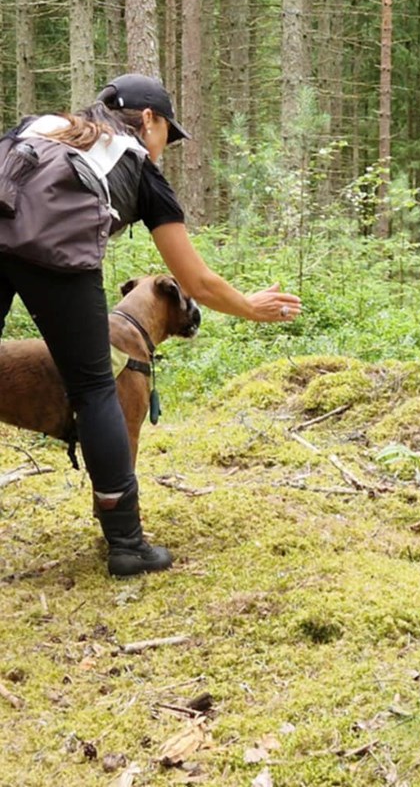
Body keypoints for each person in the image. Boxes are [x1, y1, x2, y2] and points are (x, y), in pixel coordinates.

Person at [0, 73, 302, 577]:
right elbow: (197, 283)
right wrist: (250, 306)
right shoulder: (137, 164)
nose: (165, 148)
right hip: (53, 253)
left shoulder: (43, 126)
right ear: (148, 120)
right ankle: (126, 544)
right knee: (96, 387)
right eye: (167, 135)